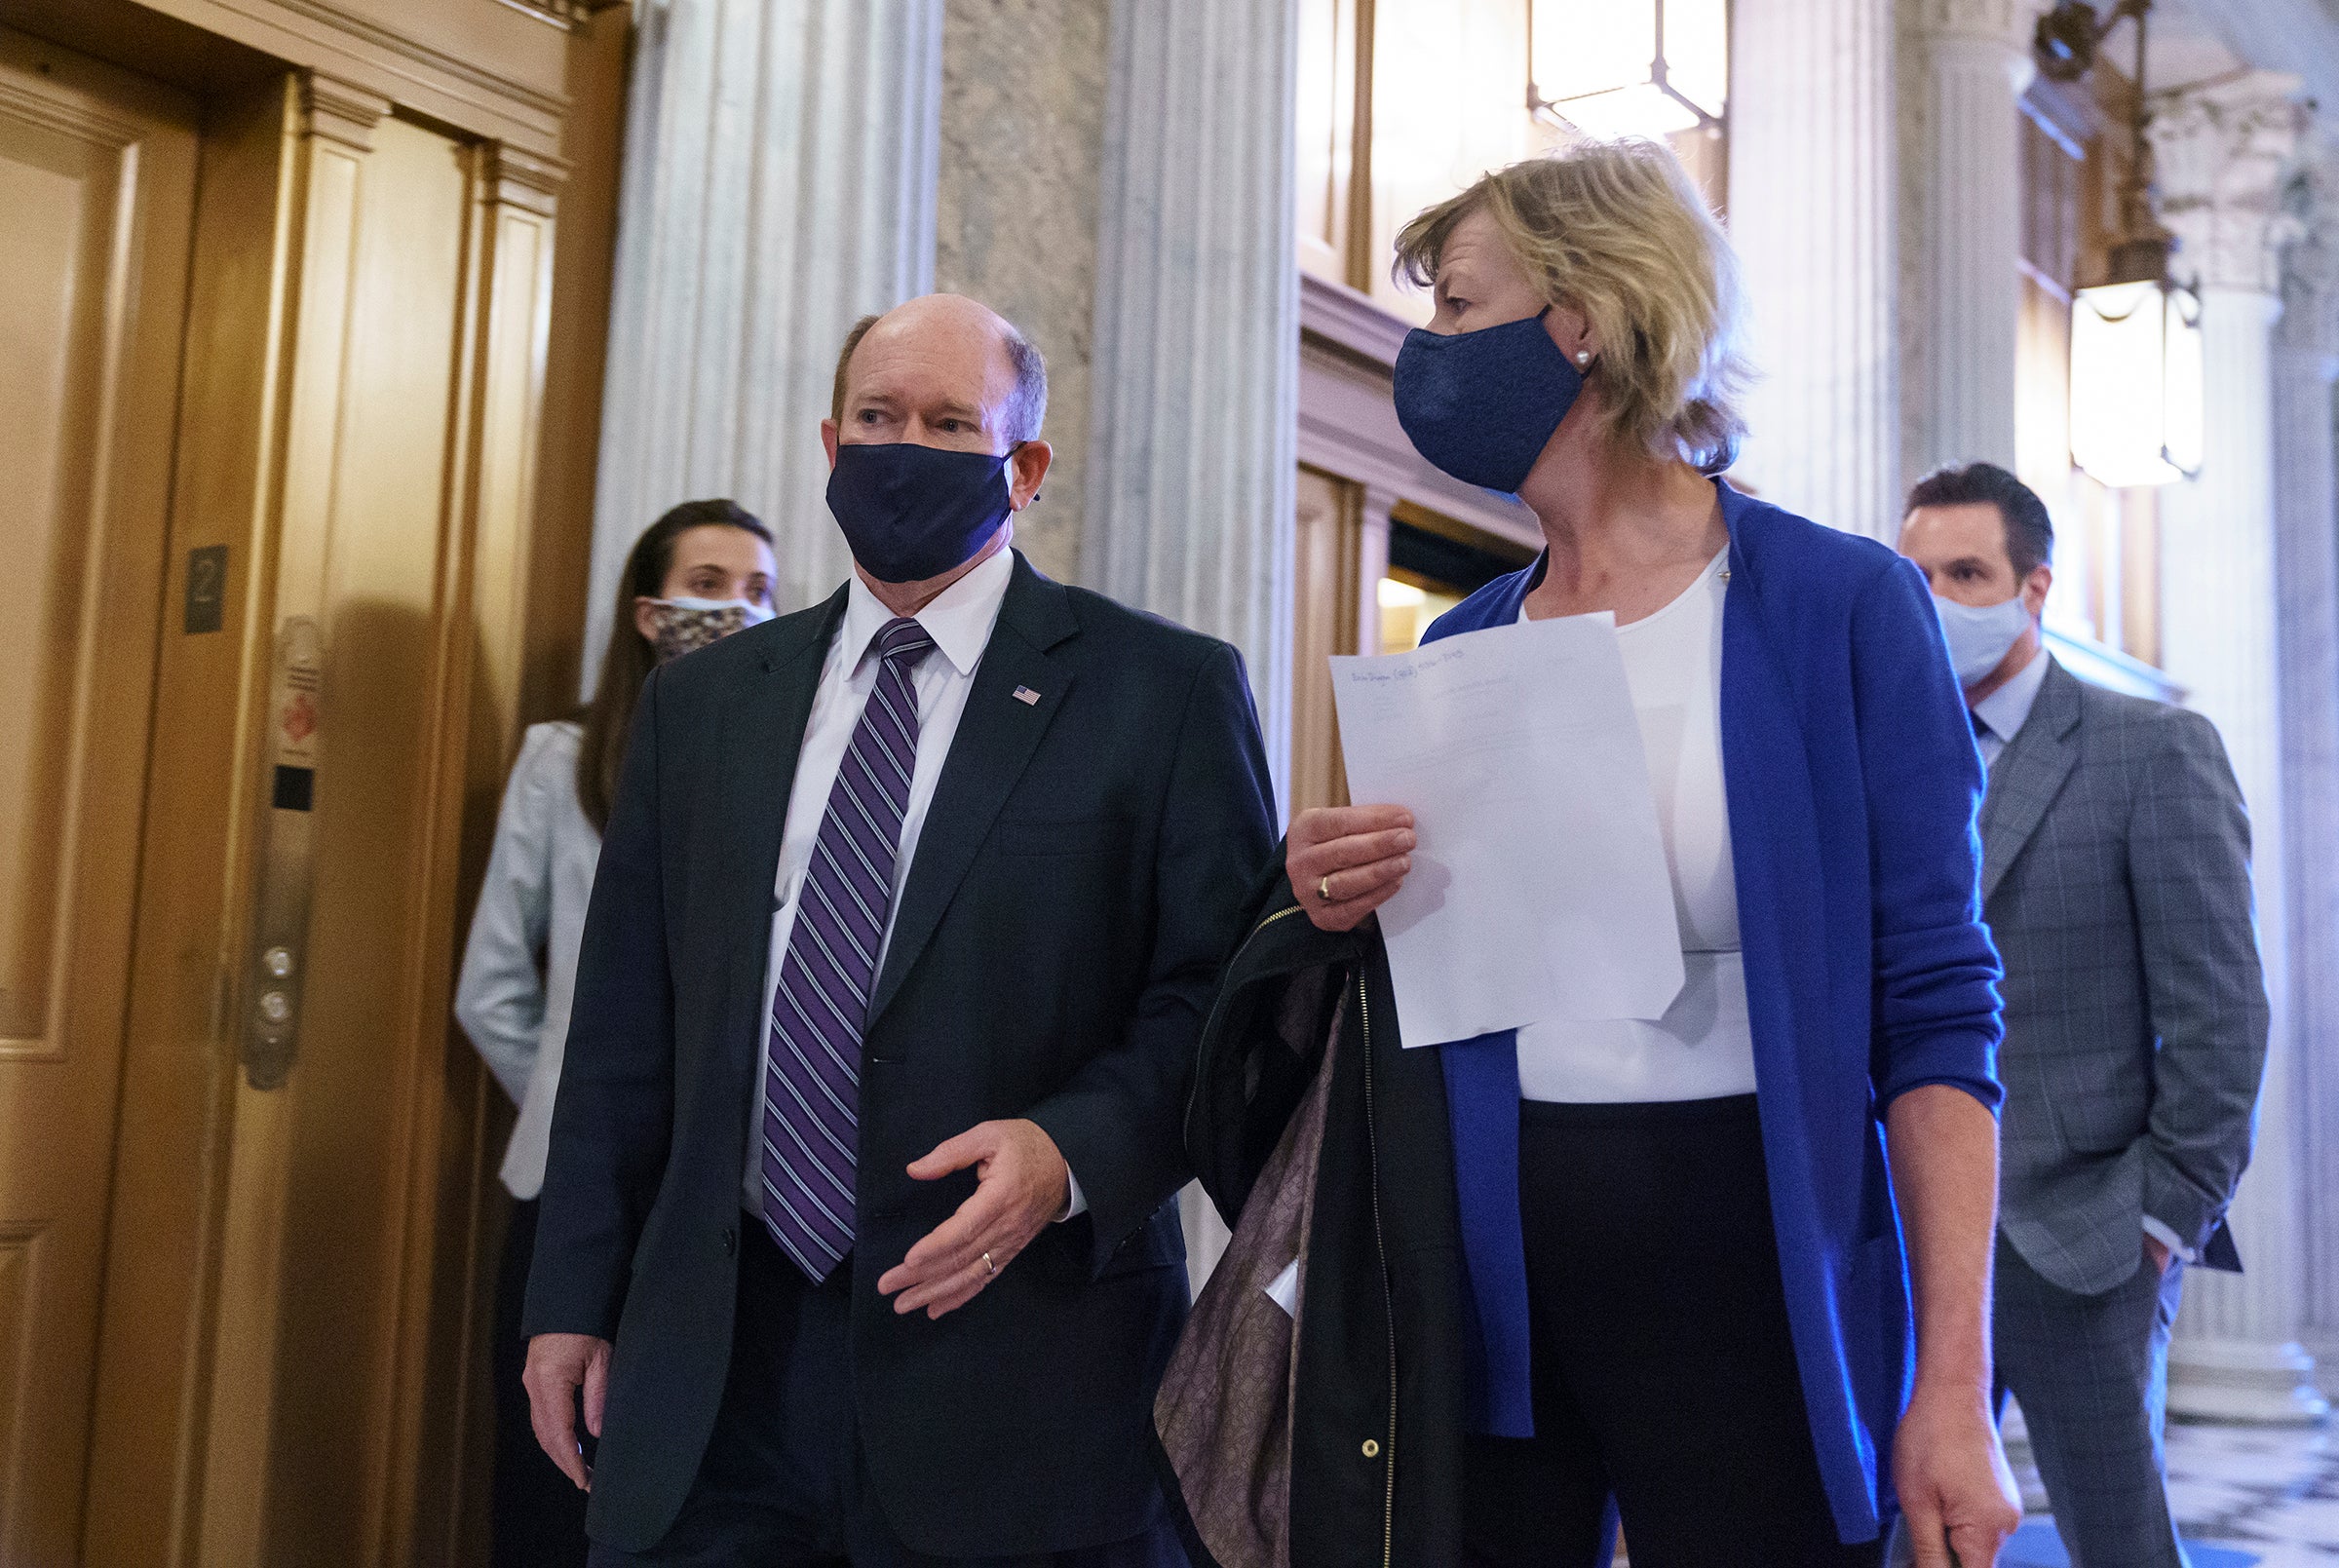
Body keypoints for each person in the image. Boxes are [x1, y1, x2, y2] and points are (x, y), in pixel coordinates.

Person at [1160, 140, 2021, 1568]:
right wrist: (1332, 894)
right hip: (1488, 1287)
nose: (1422, 349)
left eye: (1455, 307)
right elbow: (1448, 997)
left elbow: (1939, 1010)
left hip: (1752, 1281)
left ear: (1586, 317)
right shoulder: (1467, 640)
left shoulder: (1836, 605)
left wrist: (1950, 1379)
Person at [520, 292, 1277, 1566]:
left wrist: (1067, 1149)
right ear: (831, 445)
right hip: (718, 1370)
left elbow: (1221, 1003)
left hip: (1023, 1375)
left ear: (1023, 466)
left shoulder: (1163, 693)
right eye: (877, 418)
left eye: (947, 422)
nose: (903, 447)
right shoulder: (707, 708)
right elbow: (623, 1032)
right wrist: (571, 1300)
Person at [1898, 461, 2267, 1568]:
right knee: (1898, 1532)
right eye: (1914, 578)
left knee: (2119, 1544)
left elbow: (2219, 1014)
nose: (1938, 602)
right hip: (1905, 1229)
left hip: (2085, 1235)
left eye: (1966, 573)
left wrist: (2164, 1220)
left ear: (2034, 587)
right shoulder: (1884, 756)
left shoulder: (2151, 751)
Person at [456, 499, 778, 1568]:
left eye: (759, 591)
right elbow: (491, 984)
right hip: (575, 1176)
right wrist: (581, 1104)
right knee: (555, 1480)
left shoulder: (782, 762)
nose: (735, 607)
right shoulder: (563, 758)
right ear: (650, 610)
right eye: (710, 583)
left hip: (724, 1186)